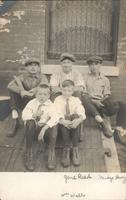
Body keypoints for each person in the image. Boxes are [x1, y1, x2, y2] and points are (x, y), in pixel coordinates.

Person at [50, 52, 113, 138]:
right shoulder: (56, 73)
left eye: (68, 62)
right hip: (61, 97)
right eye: (64, 62)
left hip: (74, 98)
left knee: (82, 96)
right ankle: (56, 127)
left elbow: (81, 88)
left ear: (72, 64)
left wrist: (66, 90)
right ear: (61, 64)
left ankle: (96, 123)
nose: (66, 65)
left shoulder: (76, 73)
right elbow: (53, 88)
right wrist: (67, 91)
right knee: (54, 96)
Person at [7, 57, 48, 137]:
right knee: (12, 92)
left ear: (39, 68)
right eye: (30, 65)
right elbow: (10, 85)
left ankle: (37, 125)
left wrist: (34, 90)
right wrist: (21, 91)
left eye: (35, 65)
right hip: (24, 102)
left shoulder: (42, 77)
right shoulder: (22, 77)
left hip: (36, 103)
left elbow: (46, 86)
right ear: (26, 67)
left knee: (43, 92)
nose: (33, 68)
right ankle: (15, 119)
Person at [22, 84, 59, 171]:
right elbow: (24, 115)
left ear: (49, 96)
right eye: (40, 94)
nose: (42, 96)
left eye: (45, 94)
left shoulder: (51, 105)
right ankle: (29, 152)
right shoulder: (32, 103)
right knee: (29, 122)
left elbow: (55, 117)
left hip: (45, 132)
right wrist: (33, 115)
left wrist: (44, 128)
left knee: (54, 125)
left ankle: (51, 152)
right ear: (36, 94)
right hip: (34, 130)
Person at [54, 80, 86, 167]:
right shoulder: (57, 100)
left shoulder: (76, 100)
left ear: (73, 91)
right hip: (62, 126)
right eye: (64, 90)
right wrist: (63, 121)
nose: (66, 93)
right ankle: (66, 148)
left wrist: (78, 120)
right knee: (66, 116)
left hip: (74, 126)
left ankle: (75, 148)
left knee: (76, 115)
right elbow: (56, 112)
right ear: (61, 89)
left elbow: (81, 111)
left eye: (69, 91)